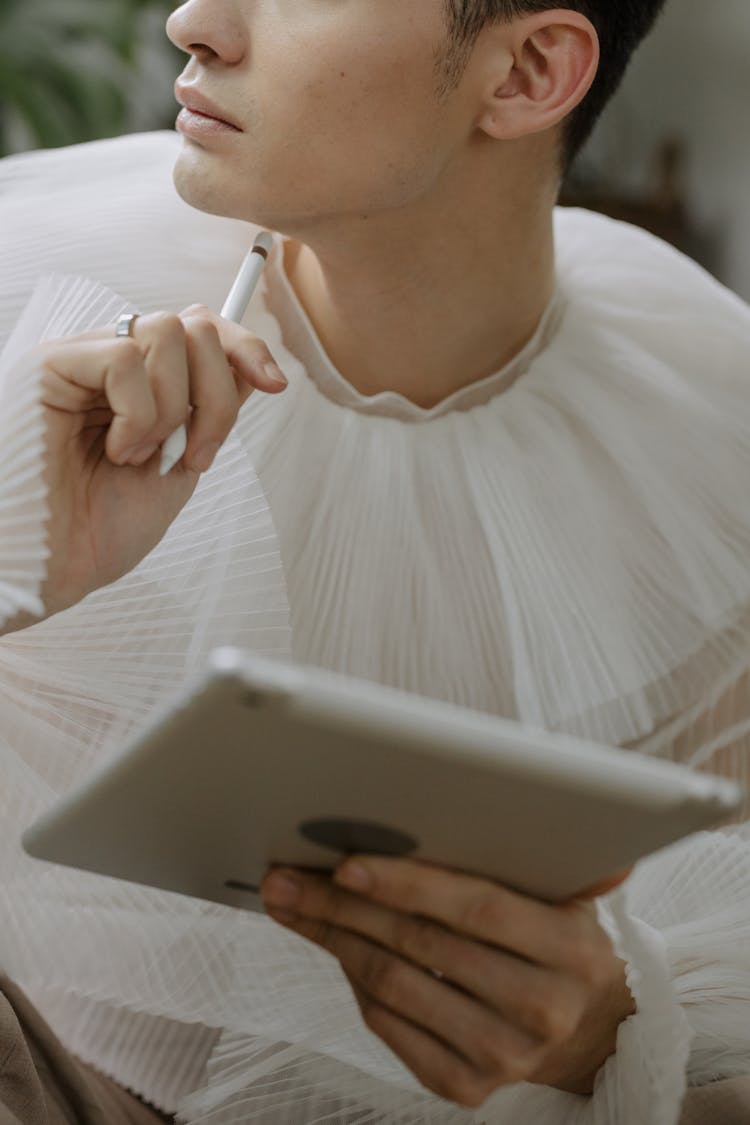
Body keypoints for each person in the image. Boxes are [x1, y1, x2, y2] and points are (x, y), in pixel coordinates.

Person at [1, 1, 749, 1122]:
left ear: (530, 70)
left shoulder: (707, 423)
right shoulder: (33, 277)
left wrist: (603, 1044)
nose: (192, 22)